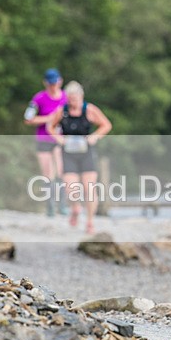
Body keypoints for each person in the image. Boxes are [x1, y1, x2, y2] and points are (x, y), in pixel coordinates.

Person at [46, 80, 112, 235]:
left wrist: (95, 136)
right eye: (70, 99)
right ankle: (75, 208)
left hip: (86, 152)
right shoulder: (63, 111)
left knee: (89, 188)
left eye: (75, 99)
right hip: (68, 152)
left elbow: (106, 125)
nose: (73, 102)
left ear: (81, 97)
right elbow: (50, 126)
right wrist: (59, 139)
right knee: (71, 188)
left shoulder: (89, 110)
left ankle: (89, 221)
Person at [24, 68, 68, 217]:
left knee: (61, 171)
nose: (53, 86)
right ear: (45, 83)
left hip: (59, 138)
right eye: (50, 84)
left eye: (55, 83)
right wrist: (48, 118)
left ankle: (62, 205)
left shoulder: (66, 98)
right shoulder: (38, 98)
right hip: (43, 138)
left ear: (60, 81)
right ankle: (50, 207)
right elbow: (28, 118)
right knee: (47, 172)